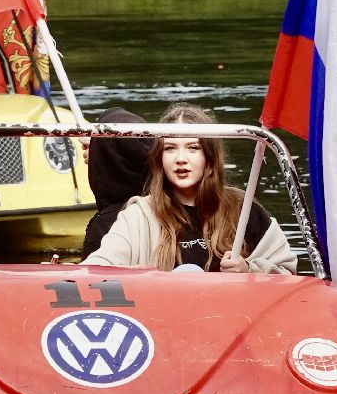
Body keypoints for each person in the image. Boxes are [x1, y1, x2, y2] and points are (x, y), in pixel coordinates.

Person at [84, 104, 296, 274]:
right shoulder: (137, 216)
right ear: (159, 158)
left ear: (209, 157)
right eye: (170, 148)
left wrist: (249, 271)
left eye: (193, 148)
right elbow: (98, 270)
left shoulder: (244, 209)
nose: (181, 159)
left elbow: (287, 273)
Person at [81, 107, 152, 257]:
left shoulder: (105, 227)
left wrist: (100, 149)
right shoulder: (168, 209)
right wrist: (99, 147)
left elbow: (92, 277)